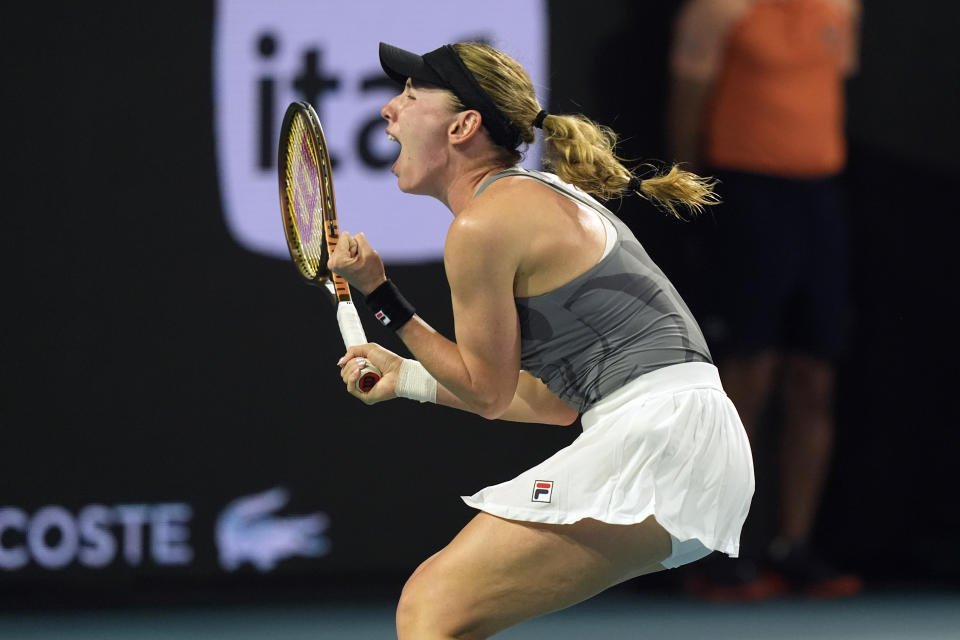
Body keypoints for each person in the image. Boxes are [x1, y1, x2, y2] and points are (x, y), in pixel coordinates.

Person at [330, 41, 754, 639]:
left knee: (432, 606)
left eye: (410, 95)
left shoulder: (484, 223)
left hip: (662, 438)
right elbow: (556, 403)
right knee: (449, 613)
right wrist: (408, 378)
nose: (388, 111)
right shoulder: (540, 197)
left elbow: (487, 394)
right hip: (694, 440)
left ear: (463, 126)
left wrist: (380, 295)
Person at [668, 0, 863, 600]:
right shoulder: (717, 9)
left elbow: (832, 81)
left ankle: (792, 547)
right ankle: (716, 548)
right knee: (746, 375)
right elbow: (687, 102)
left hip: (819, 199)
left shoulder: (843, 5)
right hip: (748, 195)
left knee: (813, 376)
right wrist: (687, 196)